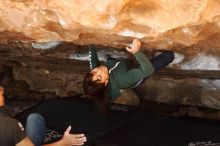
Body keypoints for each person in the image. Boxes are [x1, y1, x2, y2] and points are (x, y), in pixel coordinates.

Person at [83, 39, 174, 106]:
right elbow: (148, 70)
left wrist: (90, 41)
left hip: (122, 65)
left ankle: (124, 61)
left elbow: (92, 56)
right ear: (106, 82)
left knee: (110, 62)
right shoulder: (123, 78)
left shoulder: (95, 71)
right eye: (100, 77)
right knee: (168, 56)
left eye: (94, 72)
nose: (98, 70)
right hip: (138, 74)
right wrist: (137, 52)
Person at [0, 87, 87, 146]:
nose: (2, 89)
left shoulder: (8, 124)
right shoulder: (9, 125)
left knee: (34, 118)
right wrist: (63, 142)